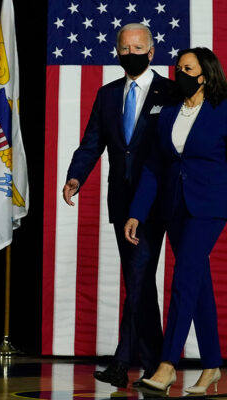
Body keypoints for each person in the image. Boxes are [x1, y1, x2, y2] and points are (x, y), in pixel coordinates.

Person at [63, 23, 173, 388]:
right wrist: (76, 176)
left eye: (138, 48)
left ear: (152, 51)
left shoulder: (169, 92)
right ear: (117, 51)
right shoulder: (108, 94)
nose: (131, 53)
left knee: (139, 277)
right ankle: (156, 361)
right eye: (124, 48)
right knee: (138, 281)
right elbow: (92, 142)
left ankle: (122, 362)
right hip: (120, 201)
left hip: (156, 201)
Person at [125, 47, 227, 395]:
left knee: (183, 276)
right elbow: (155, 166)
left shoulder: (222, 110)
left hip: (210, 206)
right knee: (197, 281)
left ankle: (168, 364)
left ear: (204, 74)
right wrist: (137, 212)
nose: (179, 72)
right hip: (174, 207)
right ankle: (212, 366)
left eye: (188, 68)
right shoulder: (169, 112)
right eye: (178, 67)